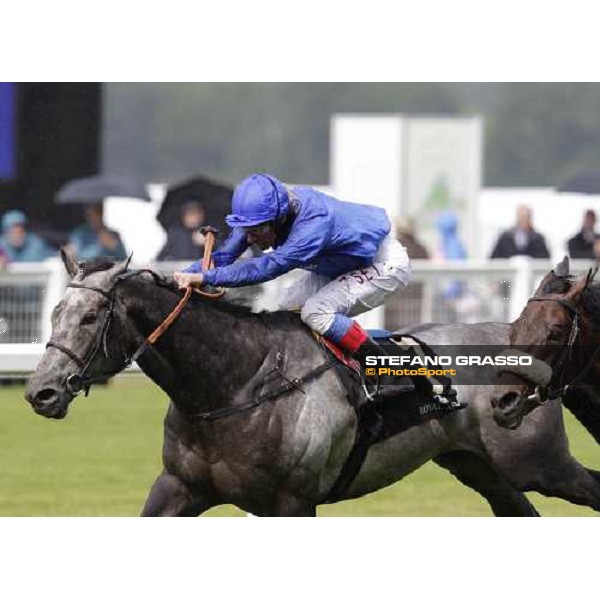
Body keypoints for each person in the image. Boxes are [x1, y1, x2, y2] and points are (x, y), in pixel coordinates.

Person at [173, 173, 414, 395]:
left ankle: (387, 368)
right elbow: (223, 258)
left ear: (277, 220)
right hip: (340, 264)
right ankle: (344, 363)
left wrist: (206, 278)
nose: (249, 237)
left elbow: (266, 268)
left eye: (256, 230)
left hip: (382, 263)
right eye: (245, 228)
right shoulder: (261, 216)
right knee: (285, 307)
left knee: (316, 312)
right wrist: (184, 275)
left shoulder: (313, 224)